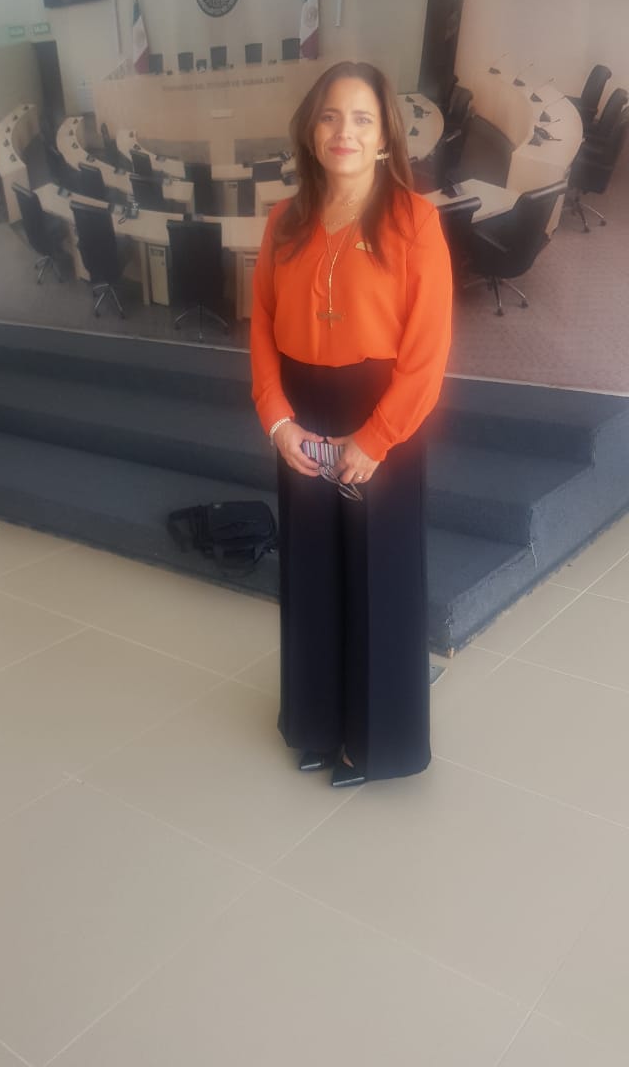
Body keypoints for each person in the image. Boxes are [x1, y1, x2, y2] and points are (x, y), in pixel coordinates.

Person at [250, 61, 452, 787]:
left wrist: (375, 438)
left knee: (378, 577)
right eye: (331, 116)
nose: (345, 131)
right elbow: (262, 326)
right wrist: (277, 420)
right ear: (311, 130)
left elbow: (427, 351)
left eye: (362, 118)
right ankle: (315, 721)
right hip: (301, 415)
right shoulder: (283, 221)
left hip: (381, 416)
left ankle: (375, 742)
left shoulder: (414, 221)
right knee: (310, 571)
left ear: (385, 137)